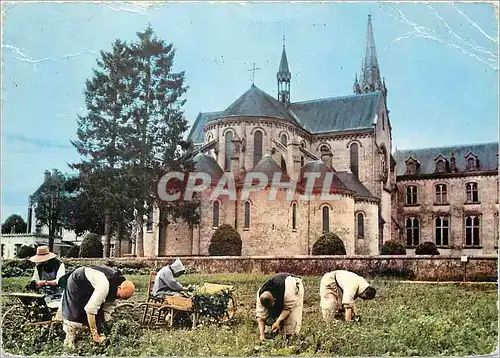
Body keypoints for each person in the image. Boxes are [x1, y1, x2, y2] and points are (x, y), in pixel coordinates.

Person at [60, 265, 135, 347]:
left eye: (123, 299)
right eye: (120, 296)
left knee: (98, 317)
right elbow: (90, 310)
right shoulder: (104, 285)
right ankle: (69, 344)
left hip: (91, 286)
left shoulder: (118, 285)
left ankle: (89, 342)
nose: (119, 299)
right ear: (119, 288)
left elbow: (107, 309)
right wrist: (95, 334)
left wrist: (105, 328)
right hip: (79, 280)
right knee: (75, 318)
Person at [255, 272, 304, 341]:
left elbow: (288, 309)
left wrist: (277, 322)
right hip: (280, 292)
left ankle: (291, 337)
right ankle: (275, 334)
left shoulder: (288, 289)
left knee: (291, 320)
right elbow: (260, 317)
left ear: (274, 299)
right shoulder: (260, 294)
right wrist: (262, 335)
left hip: (293, 284)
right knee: (271, 317)